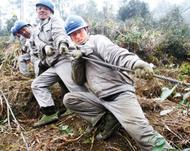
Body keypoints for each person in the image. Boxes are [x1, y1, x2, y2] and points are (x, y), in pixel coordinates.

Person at [63, 15, 174, 150]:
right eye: (73, 35)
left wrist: (135, 63)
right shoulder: (76, 53)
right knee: (69, 99)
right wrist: (77, 61)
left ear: (86, 29)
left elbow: (116, 54)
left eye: (79, 32)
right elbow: (78, 81)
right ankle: (109, 118)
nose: (78, 37)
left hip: (119, 95)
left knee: (143, 134)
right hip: (100, 98)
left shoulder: (98, 41)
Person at [31, 0, 88, 127]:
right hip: (52, 64)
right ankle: (50, 112)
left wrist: (62, 44)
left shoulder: (55, 21)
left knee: (75, 88)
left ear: (50, 11)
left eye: (45, 8)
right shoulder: (36, 27)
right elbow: (36, 42)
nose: (41, 10)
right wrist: (45, 46)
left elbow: (60, 34)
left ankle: (94, 111)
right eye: (39, 8)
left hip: (63, 59)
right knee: (37, 84)